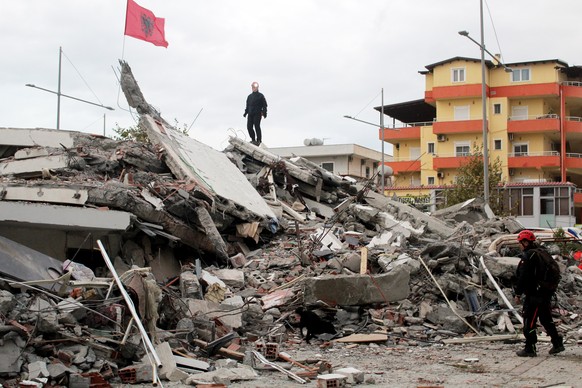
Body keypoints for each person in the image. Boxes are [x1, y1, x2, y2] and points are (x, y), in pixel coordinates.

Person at [513, 229, 565, 357]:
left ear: (525, 242)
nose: (519, 245)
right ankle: (557, 343)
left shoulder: (528, 256)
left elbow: (523, 277)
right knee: (546, 319)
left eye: (520, 242)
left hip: (535, 295)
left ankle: (530, 348)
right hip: (545, 293)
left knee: (529, 321)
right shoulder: (541, 252)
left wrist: (518, 294)